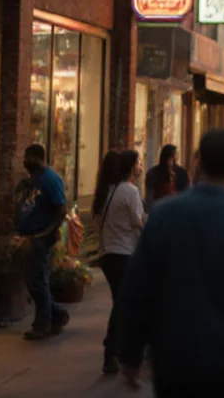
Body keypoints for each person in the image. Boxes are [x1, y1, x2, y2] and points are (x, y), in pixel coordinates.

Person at [117, 129, 224, 397]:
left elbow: (138, 289)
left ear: (199, 163)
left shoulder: (164, 215)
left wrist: (129, 353)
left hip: (172, 353)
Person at [97, 149, 145, 374]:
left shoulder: (106, 191)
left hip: (107, 254)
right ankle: (112, 351)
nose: (141, 166)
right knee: (123, 304)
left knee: (122, 302)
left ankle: (119, 350)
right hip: (124, 254)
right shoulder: (129, 191)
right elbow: (138, 222)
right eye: (138, 162)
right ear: (130, 166)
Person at [15, 144, 70, 340]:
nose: (25, 161)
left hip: (40, 238)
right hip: (30, 237)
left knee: (38, 281)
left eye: (29, 157)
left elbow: (62, 209)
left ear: (39, 158)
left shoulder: (50, 178)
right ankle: (56, 313)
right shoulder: (33, 179)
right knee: (32, 282)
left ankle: (42, 324)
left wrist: (46, 233)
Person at [144, 144, 190, 212]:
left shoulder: (182, 173)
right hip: (159, 209)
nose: (172, 161)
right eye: (171, 158)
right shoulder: (153, 173)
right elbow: (149, 196)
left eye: (174, 158)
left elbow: (186, 194)